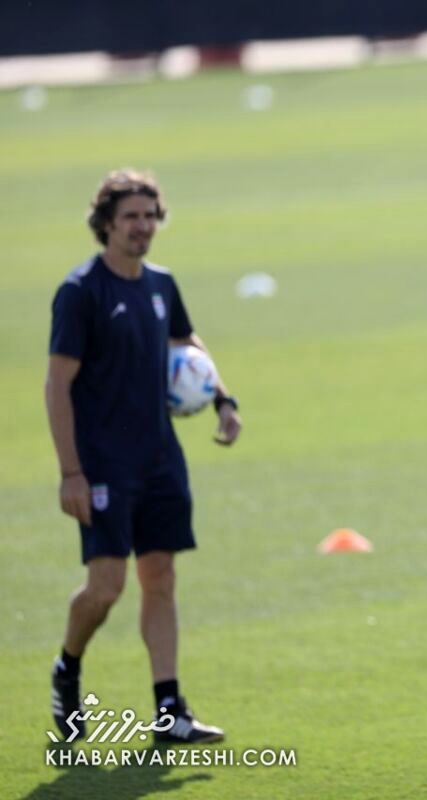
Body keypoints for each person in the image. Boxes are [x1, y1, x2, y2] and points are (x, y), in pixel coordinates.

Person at [46, 170, 242, 745]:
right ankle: (67, 668)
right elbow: (57, 385)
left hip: (160, 459)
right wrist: (71, 473)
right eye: (131, 216)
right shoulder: (81, 292)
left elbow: (188, 342)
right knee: (105, 588)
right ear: (106, 222)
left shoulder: (160, 284)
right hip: (102, 466)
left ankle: (169, 712)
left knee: (161, 577)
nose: (142, 226)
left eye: (150, 216)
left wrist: (222, 399)